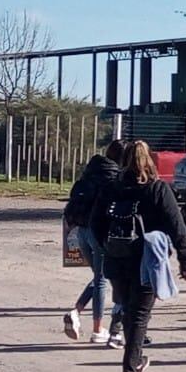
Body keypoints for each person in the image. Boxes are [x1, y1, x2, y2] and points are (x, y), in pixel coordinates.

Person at [90, 141, 186, 372]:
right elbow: (177, 226)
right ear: (149, 160)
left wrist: (106, 247)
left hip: (117, 258)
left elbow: (95, 223)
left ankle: (134, 359)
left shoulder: (111, 188)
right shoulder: (157, 189)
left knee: (127, 309)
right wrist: (185, 259)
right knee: (140, 315)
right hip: (148, 260)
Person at [62, 140, 125, 344]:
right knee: (101, 278)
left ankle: (76, 311)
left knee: (101, 274)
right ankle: (98, 329)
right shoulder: (114, 177)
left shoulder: (90, 171)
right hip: (99, 230)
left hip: (81, 230)